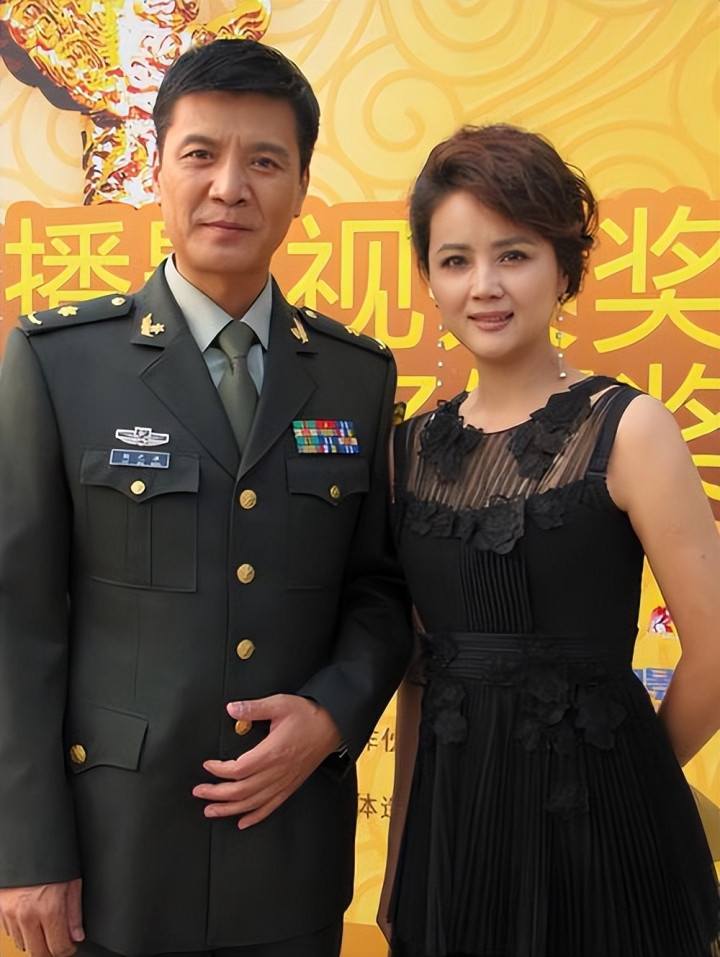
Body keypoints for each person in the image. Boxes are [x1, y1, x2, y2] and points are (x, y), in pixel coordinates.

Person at [0, 38, 411, 957]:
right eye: (201, 154)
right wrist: (26, 846)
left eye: (264, 161)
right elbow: (17, 616)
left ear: (301, 187)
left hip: (290, 851)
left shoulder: (355, 376)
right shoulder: (59, 361)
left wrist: (333, 714)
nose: (230, 186)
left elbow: (379, 589)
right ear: (156, 172)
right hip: (113, 859)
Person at [378, 124, 720, 957]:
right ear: (429, 278)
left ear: (564, 267)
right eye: (455, 260)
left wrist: (626, 778)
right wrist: (402, 858)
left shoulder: (629, 428)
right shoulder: (406, 450)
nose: (484, 285)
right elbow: (421, 675)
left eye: (514, 254)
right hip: (456, 841)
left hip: (604, 838)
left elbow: (716, 648)